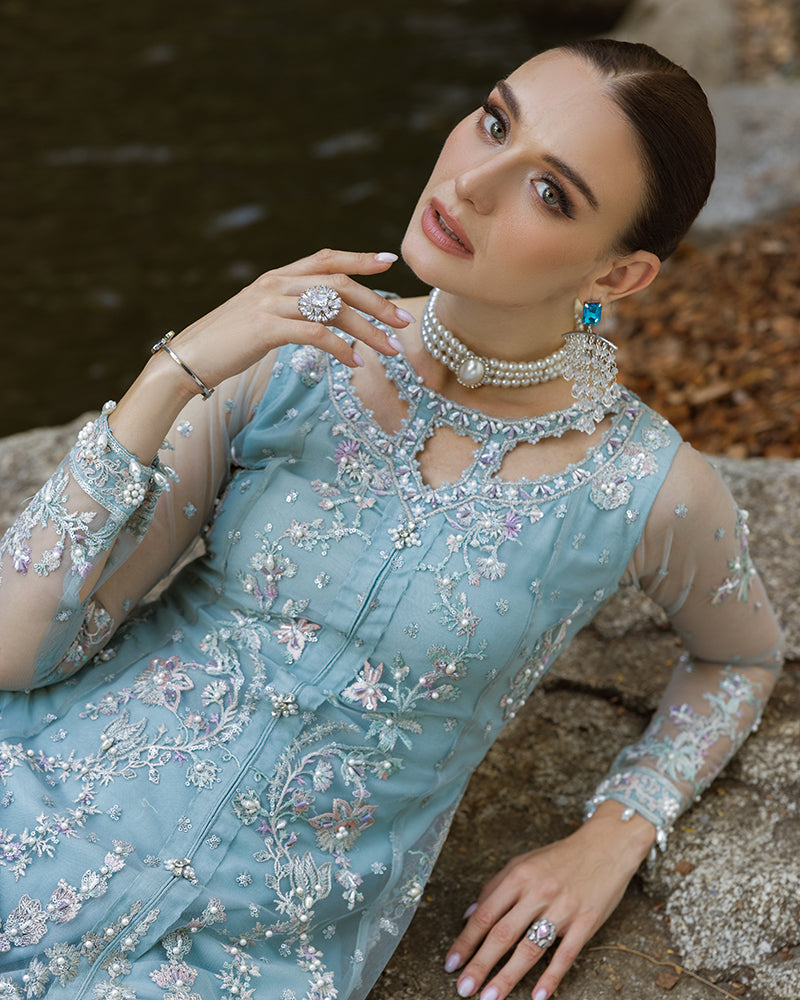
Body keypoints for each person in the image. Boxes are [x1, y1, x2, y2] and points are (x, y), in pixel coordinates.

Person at [0, 37, 783, 1000]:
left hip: (234, 961)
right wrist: (170, 376)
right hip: (34, 802)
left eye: (551, 192)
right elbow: (18, 651)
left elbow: (742, 659)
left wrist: (616, 833)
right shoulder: (292, 351)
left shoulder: (642, 485)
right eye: (493, 122)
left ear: (617, 278)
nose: (471, 183)